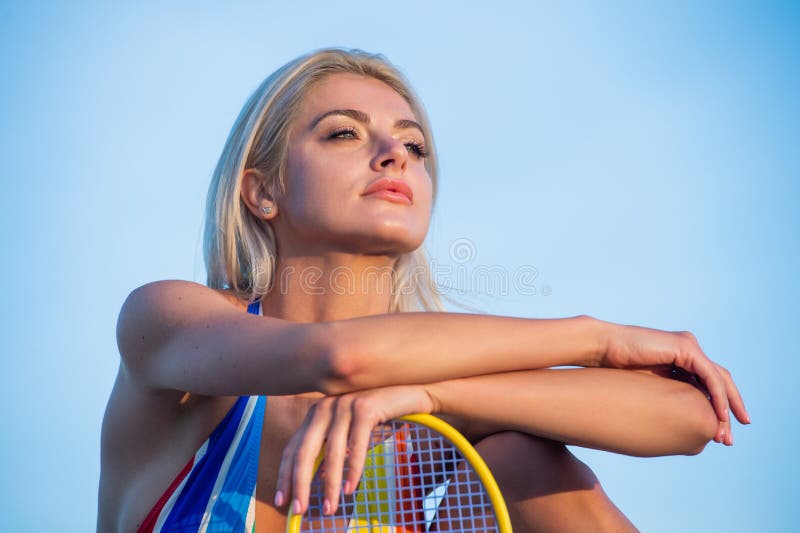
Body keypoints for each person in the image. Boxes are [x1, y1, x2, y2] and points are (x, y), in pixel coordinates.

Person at [97, 47, 749, 532]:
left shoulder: (423, 400)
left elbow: (693, 417)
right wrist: (596, 338)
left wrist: (437, 393)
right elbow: (338, 358)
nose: (395, 154)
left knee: (524, 458)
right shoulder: (165, 320)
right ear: (261, 190)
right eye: (345, 133)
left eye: (414, 144)